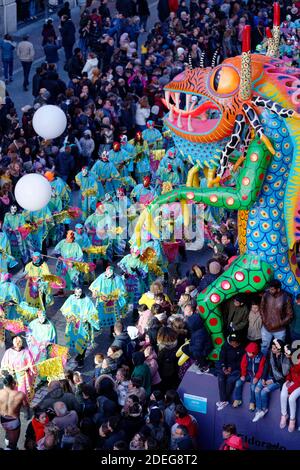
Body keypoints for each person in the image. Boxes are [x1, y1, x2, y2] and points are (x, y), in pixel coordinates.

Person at [60, 286, 100, 367]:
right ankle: (72, 355)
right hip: (73, 324)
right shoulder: (71, 298)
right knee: (72, 339)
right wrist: (68, 316)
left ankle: (81, 358)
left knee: (82, 341)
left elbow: (93, 312)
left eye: (79, 292)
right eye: (76, 292)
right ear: (74, 292)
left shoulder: (87, 300)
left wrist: (87, 318)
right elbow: (65, 309)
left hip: (83, 325)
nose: (78, 294)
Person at [253, 339, 290, 423]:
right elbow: (266, 366)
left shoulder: (285, 357)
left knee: (264, 391)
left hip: (279, 380)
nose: (272, 349)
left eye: (274, 348)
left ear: (279, 349)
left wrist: (272, 380)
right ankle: (258, 411)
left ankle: (264, 409)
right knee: (257, 389)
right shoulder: (271, 354)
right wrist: (263, 378)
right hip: (269, 376)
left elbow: (285, 375)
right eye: (272, 347)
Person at [260, 280, 294, 355]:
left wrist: (279, 323)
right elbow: (261, 308)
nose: (269, 290)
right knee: (264, 347)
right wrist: (264, 320)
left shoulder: (286, 297)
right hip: (266, 328)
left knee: (279, 348)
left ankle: (278, 364)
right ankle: (263, 363)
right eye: (269, 288)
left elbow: (290, 315)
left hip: (279, 330)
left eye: (272, 289)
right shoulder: (266, 295)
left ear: (278, 289)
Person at [89, 265, 127, 330]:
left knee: (113, 316)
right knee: (100, 314)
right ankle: (98, 328)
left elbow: (123, 291)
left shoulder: (118, 278)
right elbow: (94, 287)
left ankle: (113, 330)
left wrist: (114, 296)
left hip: (113, 301)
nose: (108, 277)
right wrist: (95, 293)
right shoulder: (101, 276)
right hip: (102, 300)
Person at [0, 336, 36, 402]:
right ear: (13, 342)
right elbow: (3, 365)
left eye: (19, 341)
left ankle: (23, 405)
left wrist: (29, 368)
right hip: (12, 377)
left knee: (22, 393)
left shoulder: (26, 352)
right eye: (16, 341)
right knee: (12, 394)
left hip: (22, 377)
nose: (17, 343)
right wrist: (7, 370)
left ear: (22, 342)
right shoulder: (8, 352)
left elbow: (32, 365)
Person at [232, 342, 266, 411]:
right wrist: (243, 375)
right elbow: (243, 365)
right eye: (247, 352)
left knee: (253, 386)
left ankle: (252, 402)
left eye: (250, 352)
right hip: (248, 374)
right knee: (238, 383)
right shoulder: (246, 356)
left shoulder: (261, 357)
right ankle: (238, 399)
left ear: (255, 352)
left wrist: (257, 377)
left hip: (255, 376)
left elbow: (261, 369)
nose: (248, 353)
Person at [216, 333, 244, 411]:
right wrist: (224, 367)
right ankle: (223, 400)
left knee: (230, 380)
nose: (234, 345)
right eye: (232, 343)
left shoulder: (241, 348)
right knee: (221, 378)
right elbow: (221, 357)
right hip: (225, 366)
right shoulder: (225, 345)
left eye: (236, 343)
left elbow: (241, 362)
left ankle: (224, 400)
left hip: (236, 369)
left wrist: (231, 367)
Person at [0, 374, 29, 450]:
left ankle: (7, 440)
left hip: (3, 419)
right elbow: (26, 406)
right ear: (13, 383)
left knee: (8, 431)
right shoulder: (20, 395)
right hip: (14, 421)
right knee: (13, 444)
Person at [54, 230, 84, 294]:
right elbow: (56, 250)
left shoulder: (76, 245)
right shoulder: (62, 242)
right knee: (61, 276)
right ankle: (60, 291)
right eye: (68, 236)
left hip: (72, 265)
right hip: (62, 263)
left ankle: (73, 291)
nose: (69, 239)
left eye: (71, 237)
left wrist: (73, 263)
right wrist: (59, 256)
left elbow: (80, 256)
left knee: (73, 277)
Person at [280, 343, 300, 432]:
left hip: (299, 383)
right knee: (283, 394)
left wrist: (290, 390)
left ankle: (292, 419)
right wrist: (288, 380)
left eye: (288, 354)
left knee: (291, 398)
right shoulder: (289, 359)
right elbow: (288, 373)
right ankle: (284, 415)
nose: (286, 355)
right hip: (292, 381)